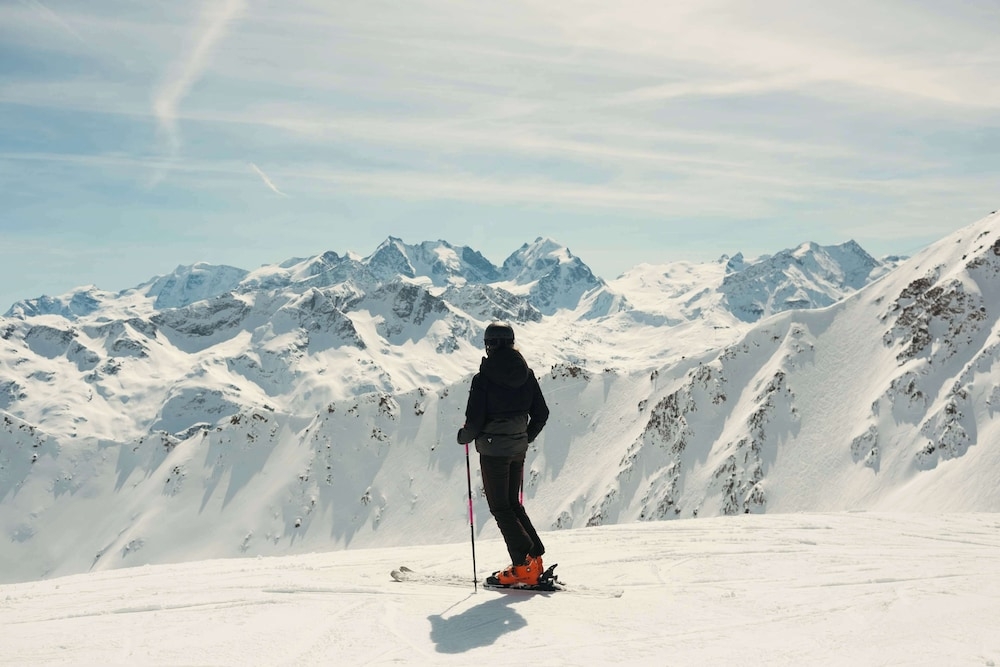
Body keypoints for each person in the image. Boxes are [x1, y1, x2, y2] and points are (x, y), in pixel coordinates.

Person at [457, 322, 550, 586]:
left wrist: (463, 436)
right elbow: (541, 414)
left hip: (493, 451)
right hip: (517, 449)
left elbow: (474, 423)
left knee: (501, 507)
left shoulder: (483, 379)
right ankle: (534, 558)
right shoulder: (527, 374)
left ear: (490, 344)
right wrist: (524, 437)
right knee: (512, 504)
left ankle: (523, 568)